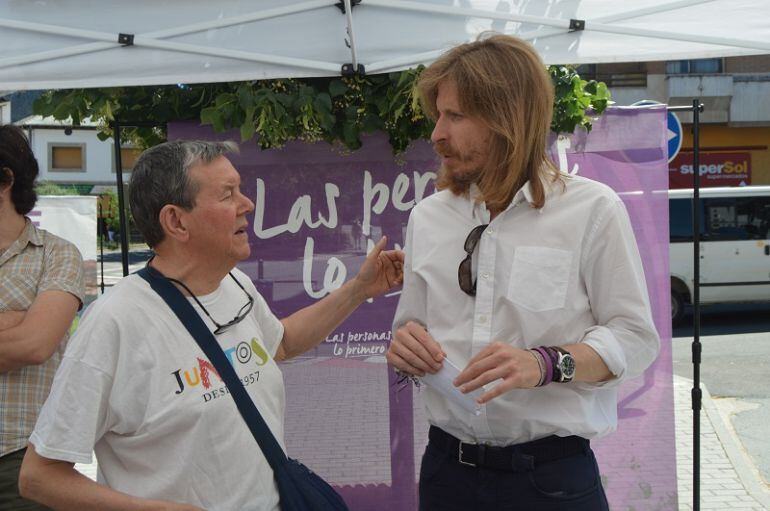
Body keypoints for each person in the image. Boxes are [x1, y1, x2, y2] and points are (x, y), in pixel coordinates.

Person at [19, 140, 404, 510]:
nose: (247, 204)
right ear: (175, 221)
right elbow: (39, 476)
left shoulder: (235, 285)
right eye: (228, 194)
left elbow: (281, 344)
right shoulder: (114, 322)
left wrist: (358, 290)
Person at [386, 34, 660, 511]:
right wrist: (407, 343)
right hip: (447, 476)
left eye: (455, 115)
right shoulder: (427, 218)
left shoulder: (592, 209)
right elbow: (412, 327)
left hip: (551, 482)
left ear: (505, 116)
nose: (436, 134)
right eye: (438, 116)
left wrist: (547, 363)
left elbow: (634, 338)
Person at [0, 125, 85, 510]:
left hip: (23, 457)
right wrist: (17, 320)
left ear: (5, 179)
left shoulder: (57, 254)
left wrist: (30, 329)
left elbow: (35, 344)